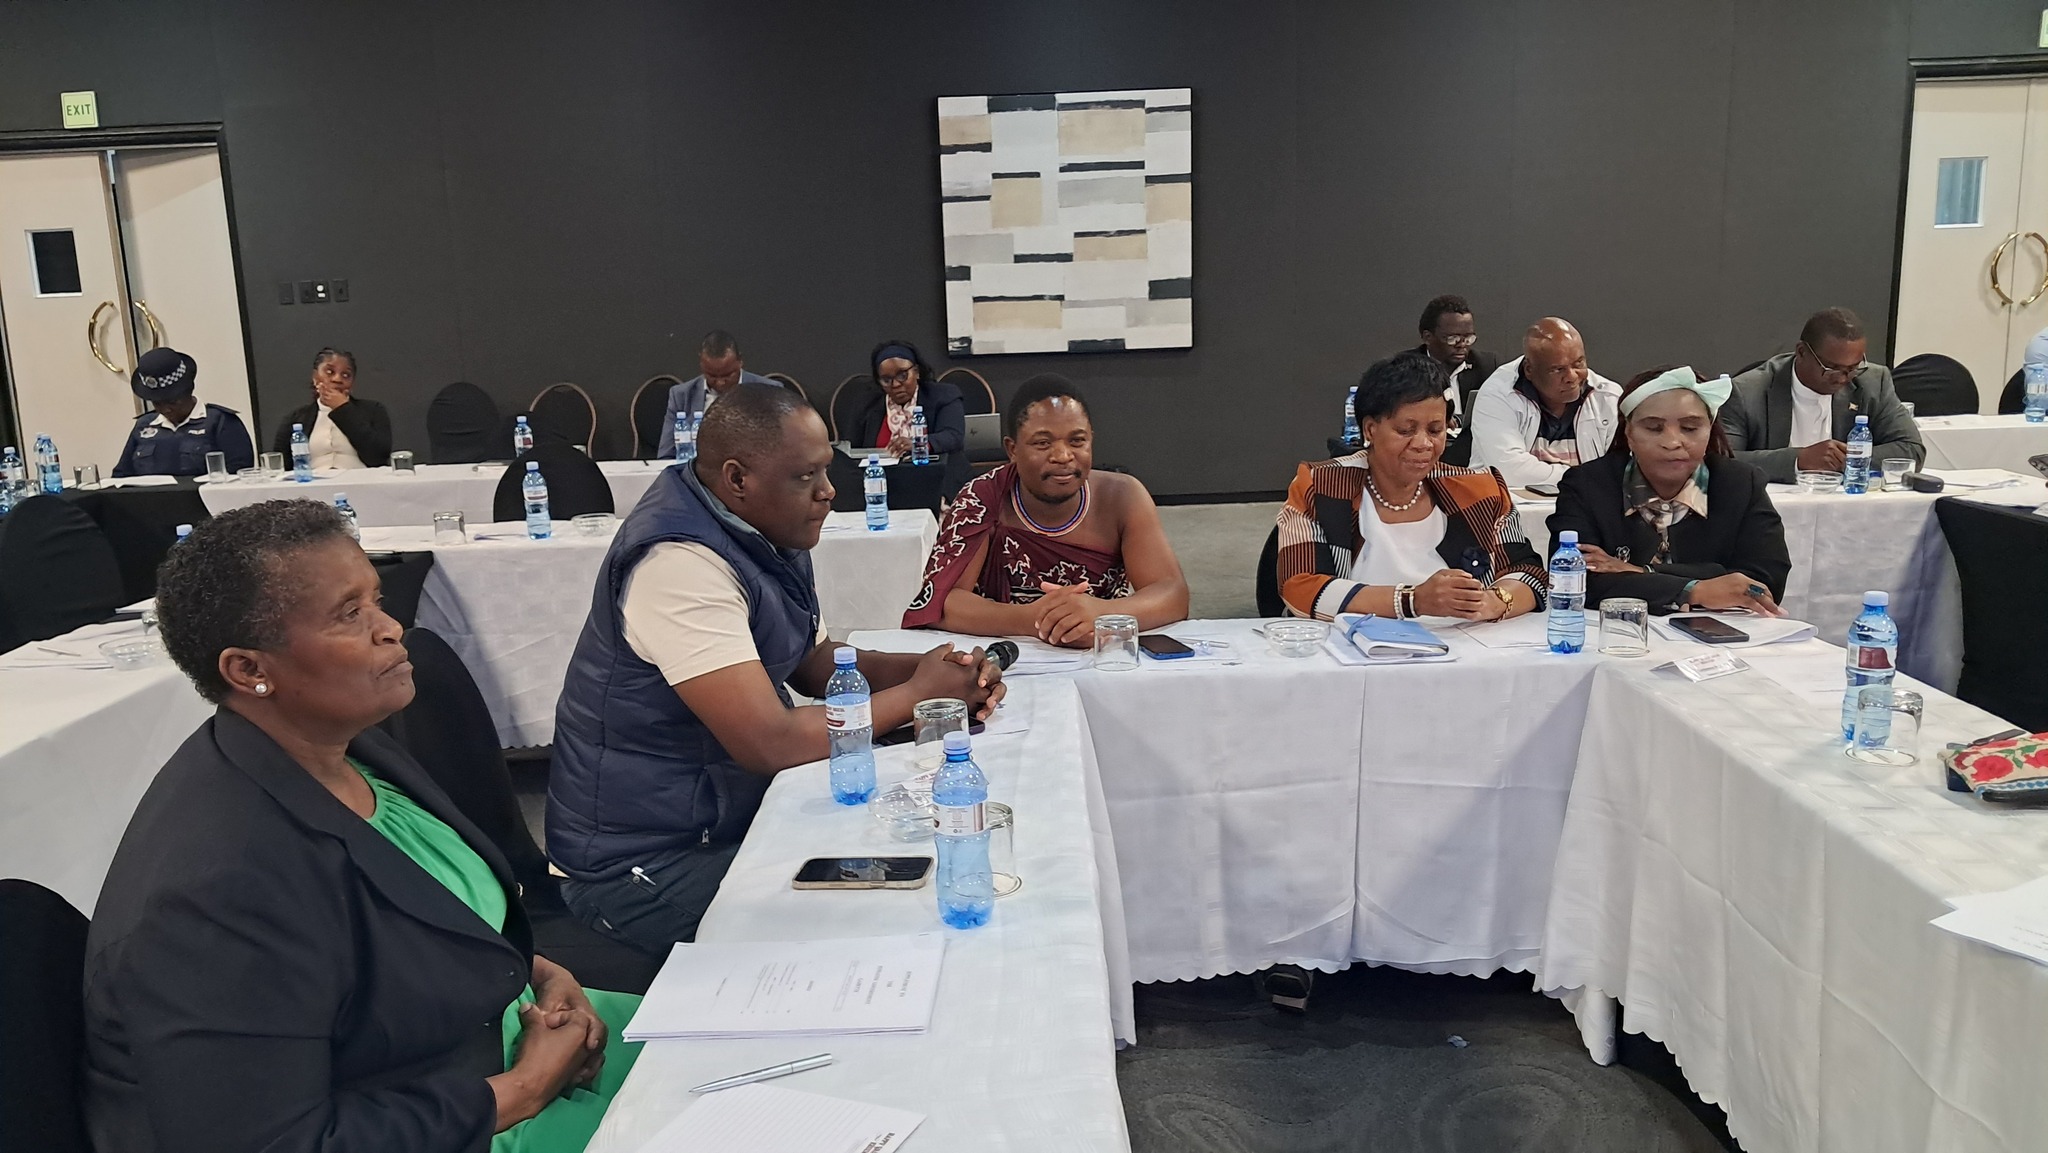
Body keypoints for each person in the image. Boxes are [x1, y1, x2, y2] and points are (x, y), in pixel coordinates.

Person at [84, 501, 638, 1153]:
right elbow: (273, 1141)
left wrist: (540, 975)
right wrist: (526, 1087)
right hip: (452, 1115)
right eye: (349, 614)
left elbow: (423, 926)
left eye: (376, 600)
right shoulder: (220, 887)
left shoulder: (350, 750)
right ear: (250, 670)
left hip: (490, 1037)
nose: (391, 629)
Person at [549, 384, 1005, 954]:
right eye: (806, 476)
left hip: (716, 821)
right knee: (884, 923)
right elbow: (770, 742)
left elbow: (814, 665)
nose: (828, 491)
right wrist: (918, 694)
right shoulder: (678, 564)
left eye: (825, 470)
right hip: (640, 868)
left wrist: (940, 673)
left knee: (905, 857)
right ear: (738, 479)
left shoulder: (756, 525)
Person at [903, 373, 1190, 645]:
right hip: (1006, 659)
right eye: (1042, 443)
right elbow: (943, 601)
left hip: (1103, 654)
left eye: (1077, 441)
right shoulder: (981, 498)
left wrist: (1101, 614)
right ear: (1012, 449)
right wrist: (1037, 619)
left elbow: (1172, 593)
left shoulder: (1123, 496)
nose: (1063, 456)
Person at [1276, 351, 1547, 622]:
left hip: (1461, 644)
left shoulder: (1481, 491)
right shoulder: (1321, 487)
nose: (1423, 444)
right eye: (1405, 431)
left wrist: (1495, 602)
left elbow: (1529, 573)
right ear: (1370, 429)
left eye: (1435, 430)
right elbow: (1300, 587)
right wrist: (1412, 600)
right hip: (1350, 645)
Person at [1549, 366, 1791, 614]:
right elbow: (1575, 577)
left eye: (1690, 428)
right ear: (1629, 433)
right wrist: (1696, 589)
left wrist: (1640, 571)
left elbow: (1765, 580)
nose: (1673, 442)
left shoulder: (1740, 483)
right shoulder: (1587, 484)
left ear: (1709, 430)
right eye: (1654, 428)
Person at [1719, 308, 1924, 483]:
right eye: (1832, 368)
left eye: (1853, 368)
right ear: (1801, 352)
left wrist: (1846, 459)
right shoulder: (1746, 392)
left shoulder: (1874, 382)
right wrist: (1798, 460)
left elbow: (1911, 449)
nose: (1843, 378)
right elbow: (1721, 461)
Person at [1468, 317, 1622, 487]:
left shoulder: (1608, 397)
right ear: (1529, 370)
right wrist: (1583, 478)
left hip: (1584, 500)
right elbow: (1509, 471)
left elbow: (1620, 470)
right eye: (1558, 369)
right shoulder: (1498, 394)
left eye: (1578, 363)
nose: (1571, 377)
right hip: (1508, 501)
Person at [111, 346, 255, 478]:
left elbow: (240, 475)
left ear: (189, 391)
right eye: (157, 403)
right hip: (150, 498)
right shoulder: (144, 425)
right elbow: (121, 476)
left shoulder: (220, 421)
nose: (165, 409)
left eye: (173, 402)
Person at [852, 338, 968, 494]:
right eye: (886, 380)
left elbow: (953, 436)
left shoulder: (943, 395)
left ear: (916, 371)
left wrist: (918, 444)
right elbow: (851, 450)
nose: (895, 385)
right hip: (884, 485)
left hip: (937, 481)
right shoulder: (867, 404)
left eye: (902, 375)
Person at [655, 329, 776, 457]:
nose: (720, 383)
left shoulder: (769, 392)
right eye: (712, 375)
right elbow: (666, 455)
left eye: (727, 375)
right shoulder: (681, 396)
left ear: (740, 362)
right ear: (701, 364)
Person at [268, 347, 393, 468]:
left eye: (346, 375)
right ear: (315, 377)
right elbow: (281, 465)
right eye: (329, 372)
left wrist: (343, 408)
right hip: (313, 480)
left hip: (361, 479)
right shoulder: (296, 418)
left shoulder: (373, 410)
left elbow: (379, 457)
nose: (337, 379)